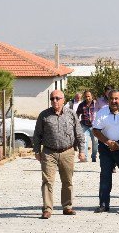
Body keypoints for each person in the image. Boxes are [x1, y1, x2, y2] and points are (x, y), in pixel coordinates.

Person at [33, 89, 85, 219]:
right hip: (49, 152)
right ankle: (47, 209)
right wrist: (36, 151)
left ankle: (67, 207)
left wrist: (82, 151)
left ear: (63, 99)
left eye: (57, 98)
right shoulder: (44, 115)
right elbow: (37, 135)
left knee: (67, 180)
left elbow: (79, 133)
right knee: (48, 181)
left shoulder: (71, 114)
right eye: (52, 99)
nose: (54, 101)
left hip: (67, 151)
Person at [92, 89, 119, 213]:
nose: (114, 101)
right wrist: (108, 142)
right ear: (108, 99)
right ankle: (103, 204)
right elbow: (96, 130)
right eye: (111, 99)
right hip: (106, 148)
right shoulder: (101, 112)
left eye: (116, 98)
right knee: (105, 176)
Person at [76, 90, 98, 162]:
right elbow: (77, 114)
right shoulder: (81, 105)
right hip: (84, 125)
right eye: (86, 96)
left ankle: (94, 156)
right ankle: (84, 158)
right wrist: (77, 122)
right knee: (84, 141)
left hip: (94, 126)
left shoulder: (96, 104)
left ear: (92, 96)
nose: (87, 98)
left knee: (95, 142)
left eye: (89, 96)